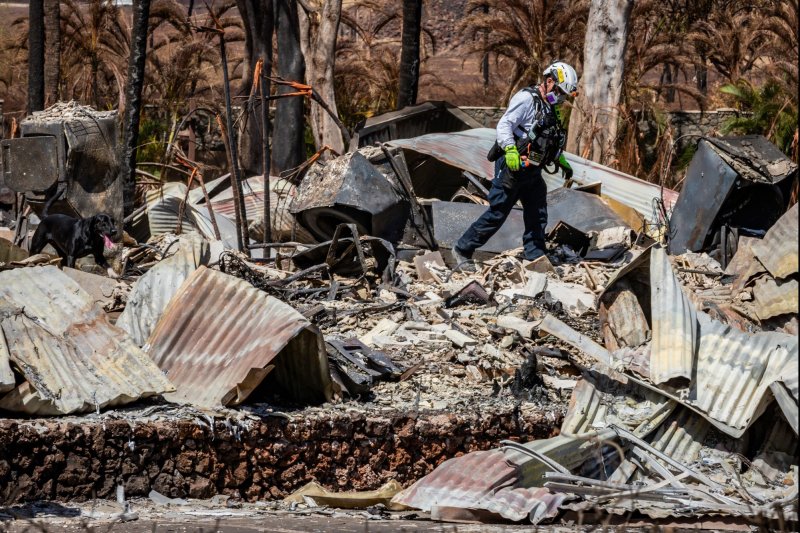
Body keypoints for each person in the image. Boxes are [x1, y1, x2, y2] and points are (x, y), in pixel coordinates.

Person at [452, 61, 578, 269]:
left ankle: (535, 255)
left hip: (532, 169)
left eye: (564, 94)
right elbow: (504, 125)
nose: (561, 98)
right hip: (512, 165)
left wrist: (559, 158)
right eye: (559, 91)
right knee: (498, 212)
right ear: (548, 81)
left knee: (537, 212)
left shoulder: (550, 107)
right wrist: (510, 149)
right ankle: (463, 249)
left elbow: (549, 137)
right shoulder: (526, 99)